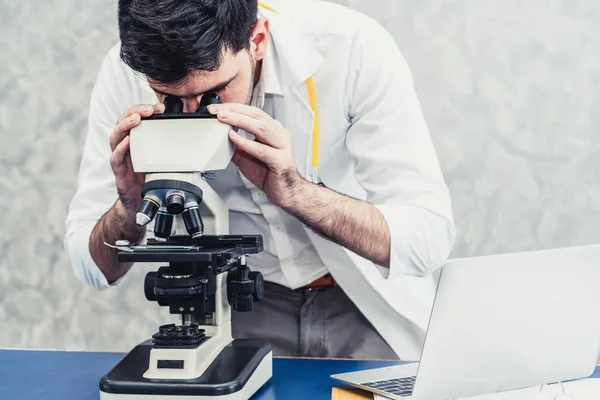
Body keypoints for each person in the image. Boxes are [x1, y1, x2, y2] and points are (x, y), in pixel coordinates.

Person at [64, 0, 456, 361]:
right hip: (243, 302)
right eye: (168, 98)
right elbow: (93, 268)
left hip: (364, 299)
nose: (192, 113)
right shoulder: (124, 70)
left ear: (257, 39)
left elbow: (427, 239)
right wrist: (129, 205)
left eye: (214, 93)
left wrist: (297, 193)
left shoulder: (352, 48)